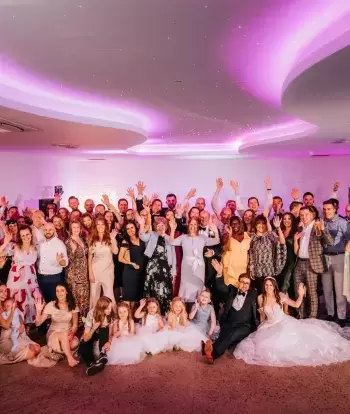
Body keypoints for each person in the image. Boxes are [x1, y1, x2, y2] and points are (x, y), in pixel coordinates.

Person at [234, 277, 350, 366]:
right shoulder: (260, 297)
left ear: (274, 286)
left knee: (292, 344)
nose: (268, 287)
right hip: (269, 325)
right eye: (266, 285)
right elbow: (263, 315)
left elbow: (296, 304)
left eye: (270, 285)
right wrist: (260, 327)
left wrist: (300, 295)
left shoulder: (280, 295)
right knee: (263, 346)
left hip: (283, 323)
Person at [202, 262, 258, 364]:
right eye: (242, 282)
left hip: (244, 326)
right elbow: (221, 287)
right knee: (223, 334)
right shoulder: (232, 290)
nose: (244, 285)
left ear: (249, 285)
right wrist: (219, 273)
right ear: (238, 282)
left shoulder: (253, 294)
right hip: (230, 323)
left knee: (232, 335)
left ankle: (212, 354)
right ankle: (207, 348)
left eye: (247, 283)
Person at [5, 225, 42, 326]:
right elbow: (1, 252)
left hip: (30, 278)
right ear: (20, 237)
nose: (26, 237)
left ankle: (28, 325)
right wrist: (5, 242)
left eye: (27, 234)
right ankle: (17, 324)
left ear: (31, 234)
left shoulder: (35, 247)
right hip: (16, 278)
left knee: (31, 300)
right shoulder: (14, 246)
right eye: (23, 235)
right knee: (18, 299)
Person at [35, 284, 80, 367]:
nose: (59, 293)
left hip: (67, 331)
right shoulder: (51, 305)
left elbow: (75, 325)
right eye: (57, 291)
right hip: (54, 332)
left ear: (67, 292)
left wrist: (72, 333)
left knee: (75, 343)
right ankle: (70, 359)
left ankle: (56, 350)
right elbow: (38, 323)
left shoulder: (73, 306)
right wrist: (38, 311)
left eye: (62, 290)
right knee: (64, 336)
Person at [0, 282, 41, 364]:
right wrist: (12, 310)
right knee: (32, 353)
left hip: (15, 334)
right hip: (5, 339)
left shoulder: (4, 303)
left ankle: (23, 348)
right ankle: (12, 354)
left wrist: (22, 324)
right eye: (1, 291)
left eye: (5, 291)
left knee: (37, 348)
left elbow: (18, 314)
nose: (4, 294)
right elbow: (6, 326)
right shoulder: (6, 305)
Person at [79, 296, 113, 376]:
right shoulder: (91, 314)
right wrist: (93, 328)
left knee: (104, 329)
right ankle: (92, 364)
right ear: (101, 308)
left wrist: (109, 341)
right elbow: (86, 337)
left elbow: (110, 331)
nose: (110, 310)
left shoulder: (110, 314)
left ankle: (102, 355)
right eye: (108, 308)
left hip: (103, 334)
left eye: (110, 307)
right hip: (92, 333)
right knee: (84, 344)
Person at [89, 218, 119, 307]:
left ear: (106, 226)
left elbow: (115, 252)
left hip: (108, 270)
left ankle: (112, 317)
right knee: (94, 295)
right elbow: (90, 257)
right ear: (95, 226)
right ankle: (94, 318)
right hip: (95, 270)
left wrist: (113, 239)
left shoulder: (110, 238)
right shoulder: (92, 239)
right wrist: (90, 273)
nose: (100, 226)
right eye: (98, 224)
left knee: (109, 294)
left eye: (102, 224)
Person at [37, 222, 69, 303]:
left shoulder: (59, 244)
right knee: (43, 303)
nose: (48, 231)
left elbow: (65, 263)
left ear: (54, 230)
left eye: (50, 229)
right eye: (46, 230)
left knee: (55, 303)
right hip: (40, 278)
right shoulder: (40, 243)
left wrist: (61, 261)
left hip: (54, 279)